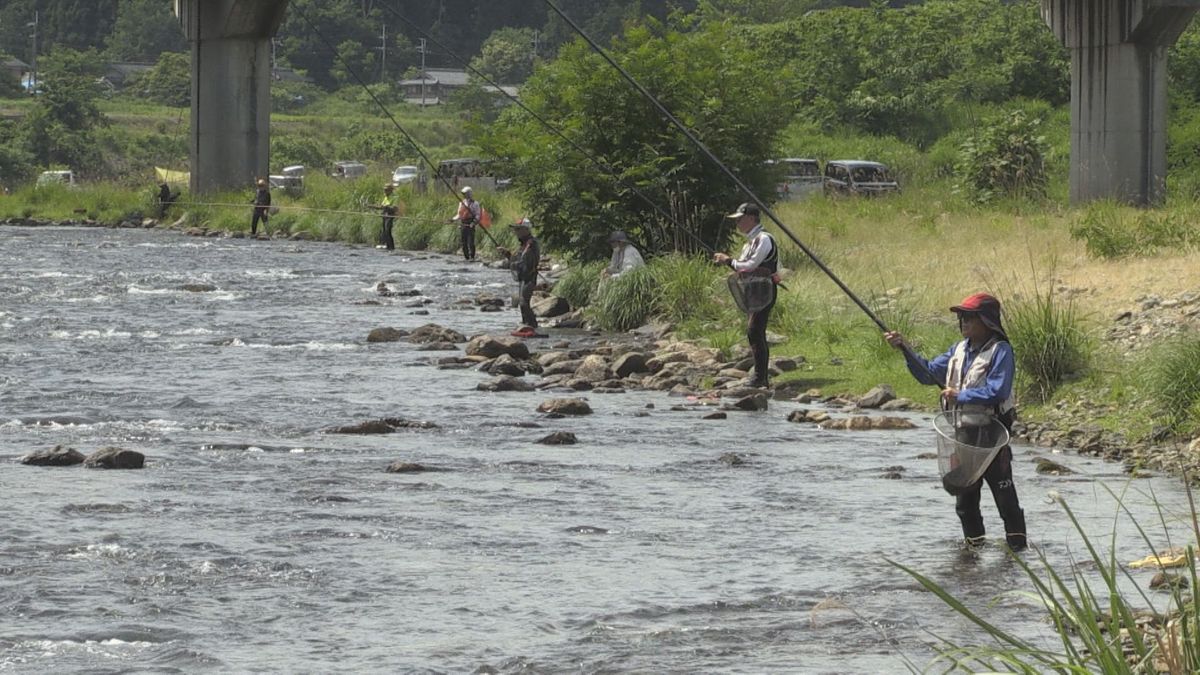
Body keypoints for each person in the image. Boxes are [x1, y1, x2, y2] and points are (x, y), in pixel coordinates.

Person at [884, 292, 1027, 551]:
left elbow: (999, 390)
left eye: (970, 317)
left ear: (987, 321)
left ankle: (1018, 553)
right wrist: (905, 349)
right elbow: (928, 374)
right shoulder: (958, 350)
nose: (964, 322)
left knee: (1005, 500)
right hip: (962, 436)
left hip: (993, 437)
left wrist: (961, 394)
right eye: (962, 317)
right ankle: (973, 553)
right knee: (965, 503)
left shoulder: (1001, 351)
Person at [713, 202, 778, 389]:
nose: (738, 223)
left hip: (764, 290)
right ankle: (760, 377)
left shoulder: (764, 239)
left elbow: (749, 265)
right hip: (754, 290)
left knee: (755, 331)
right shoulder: (750, 242)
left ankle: (760, 378)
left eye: (740, 219)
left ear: (751, 218)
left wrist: (728, 260)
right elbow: (743, 265)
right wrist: (730, 263)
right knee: (755, 332)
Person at [497, 217, 541, 338]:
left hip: (530, 277)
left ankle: (532, 326)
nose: (516, 231)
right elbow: (517, 259)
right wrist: (507, 253)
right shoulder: (524, 244)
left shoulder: (530, 244)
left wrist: (510, 257)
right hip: (524, 277)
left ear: (526, 230)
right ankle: (527, 325)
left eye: (518, 229)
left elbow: (521, 261)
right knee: (523, 302)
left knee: (523, 302)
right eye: (515, 229)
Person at [450, 186, 481, 261]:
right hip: (463, 224)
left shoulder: (475, 203)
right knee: (464, 242)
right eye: (464, 194)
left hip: (471, 224)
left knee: (471, 242)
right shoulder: (461, 203)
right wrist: (453, 219)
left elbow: (478, 215)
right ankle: (466, 257)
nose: (464, 195)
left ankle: (472, 257)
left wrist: (473, 223)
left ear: (469, 194)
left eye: (466, 193)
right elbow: (459, 215)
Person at [372, 183, 400, 251]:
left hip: (390, 216)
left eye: (386, 190)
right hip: (384, 216)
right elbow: (381, 207)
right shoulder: (386, 198)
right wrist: (371, 206)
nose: (384, 192)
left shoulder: (395, 197)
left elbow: (395, 208)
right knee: (385, 232)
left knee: (388, 231)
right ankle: (388, 247)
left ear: (390, 190)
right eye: (384, 190)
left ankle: (392, 248)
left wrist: (387, 207)